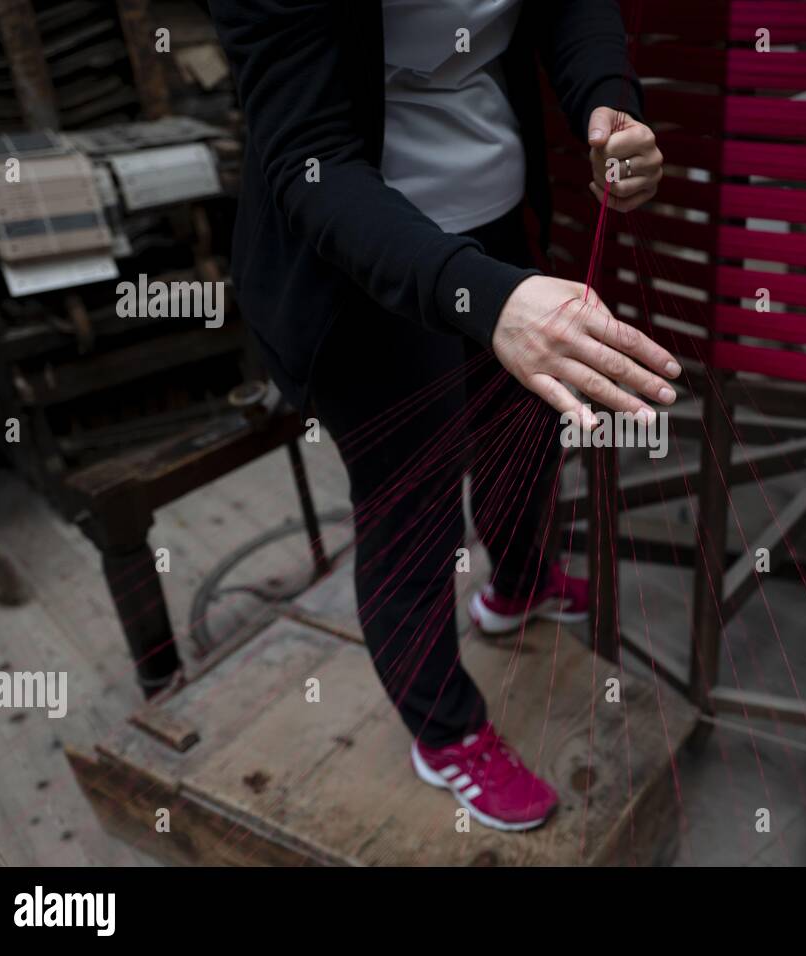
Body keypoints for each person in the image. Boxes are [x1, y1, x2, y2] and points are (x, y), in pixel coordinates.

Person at [209, 0, 677, 831]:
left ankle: (518, 583)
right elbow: (310, 160)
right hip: (363, 253)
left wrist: (606, 97)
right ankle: (445, 729)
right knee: (412, 510)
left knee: (526, 428)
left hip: (497, 216)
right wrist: (492, 301)